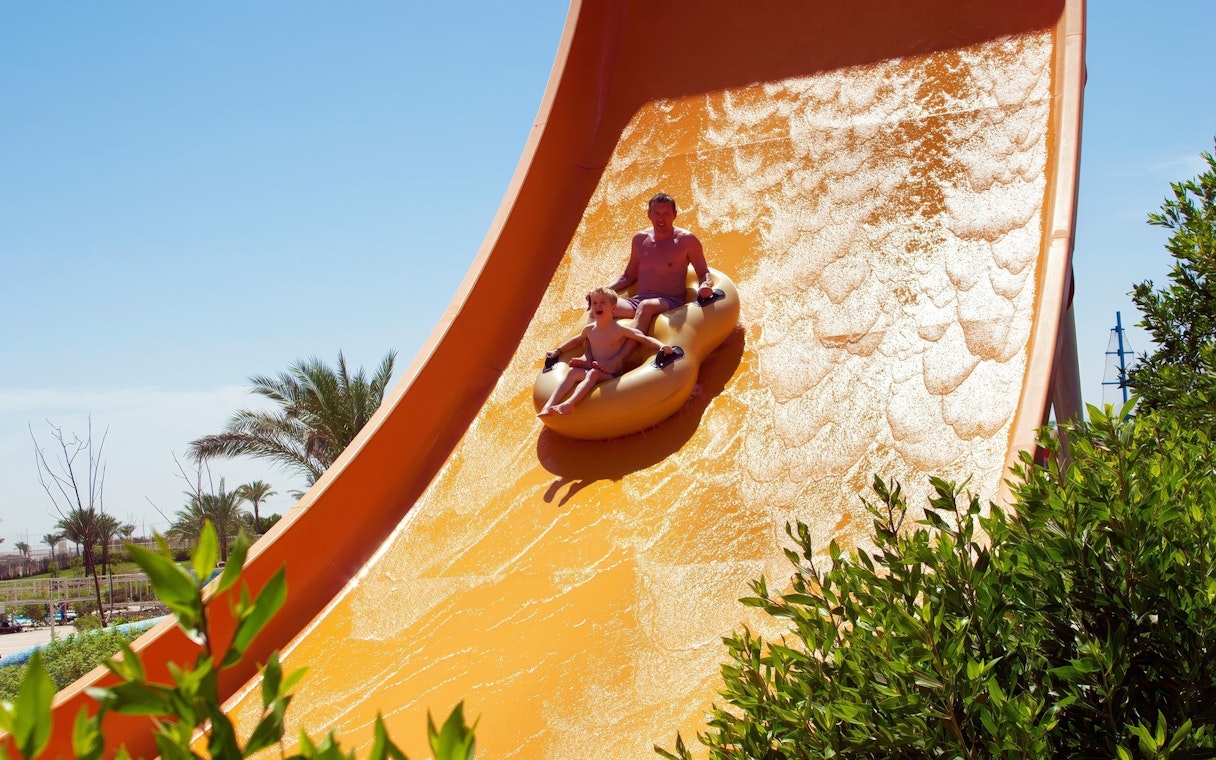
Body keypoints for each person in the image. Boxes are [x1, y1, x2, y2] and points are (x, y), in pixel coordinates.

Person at [538, 287, 675, 417]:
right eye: (595, 303)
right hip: (594, 366)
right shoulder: (590, 329)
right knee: (572, 372)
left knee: (593, 373)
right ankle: (549, 405)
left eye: (603, 303)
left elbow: (644, 339)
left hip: (611, 373)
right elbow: (577, 340)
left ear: (613, 308)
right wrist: (558, 350)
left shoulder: (620, 330)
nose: (598, 306)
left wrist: (662, 346)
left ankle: (570, 404)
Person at [605, 192, 714, 335]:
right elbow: (628, 276)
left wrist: (705, 285)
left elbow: (703, 272)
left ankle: (619, 357)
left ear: (675, 214)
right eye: (656, 213)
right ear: (649, 214)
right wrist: (603, 290)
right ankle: (587, 355)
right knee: (601, 303)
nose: (661, 218)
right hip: (638, 302)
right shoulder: (639, 239)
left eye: (666, 213)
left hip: (670, 301)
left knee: (646, 306)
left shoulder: (687, 241)